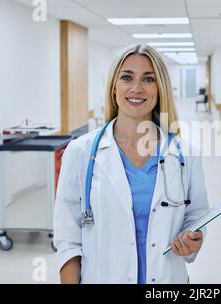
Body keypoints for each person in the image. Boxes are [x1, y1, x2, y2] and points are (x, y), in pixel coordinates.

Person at [54, 44, 209, 284]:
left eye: (148, 79)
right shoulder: (80, 153)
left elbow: (197, 217)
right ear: (114, 86)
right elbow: (68, 239)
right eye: (127, 77)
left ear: (160, 89)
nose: (137, 88)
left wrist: (193, 238)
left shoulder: (186, 155)